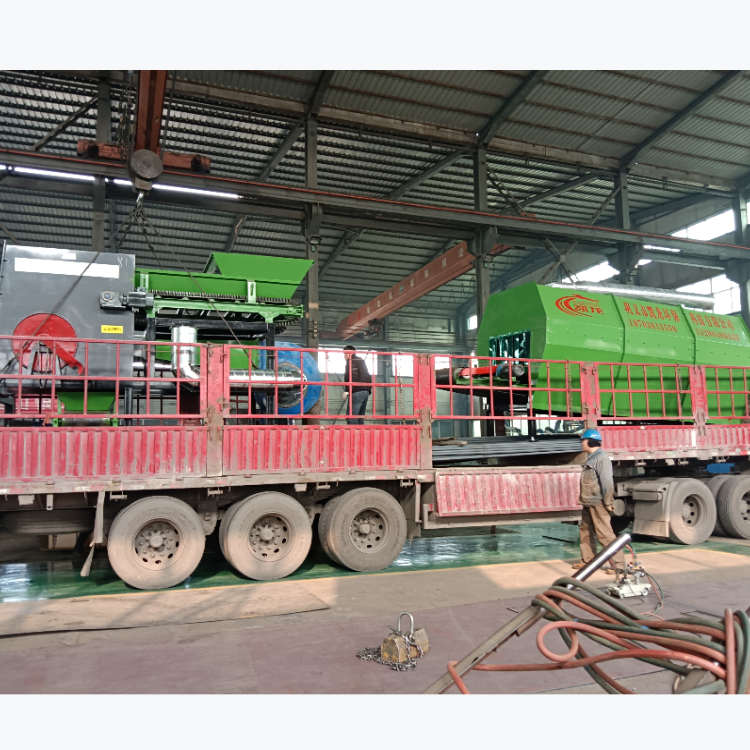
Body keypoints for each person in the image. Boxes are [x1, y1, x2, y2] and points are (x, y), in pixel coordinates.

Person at [574, 428, 625, 574]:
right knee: (586, 531)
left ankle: (619, 566)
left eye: (583, 440)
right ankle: (588, 561)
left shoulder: (601, 459)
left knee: (605, 534)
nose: (581, 443)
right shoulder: (591, 458)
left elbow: (607, 483)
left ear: (590, 441)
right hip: (588, 501)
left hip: (598, 502)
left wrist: (608, 502)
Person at [343, 345, 373, 425]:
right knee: (360, 417)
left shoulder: (351, 361)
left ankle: (353, 433)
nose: (344, 356)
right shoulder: (360, 360)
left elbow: (353, 376)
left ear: (350, 353)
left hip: (357, 390)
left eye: (345, 353)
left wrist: (348, 390)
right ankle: (360, 432)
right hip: (366, 391)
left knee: (351, 417)